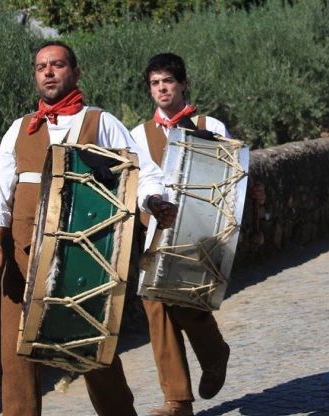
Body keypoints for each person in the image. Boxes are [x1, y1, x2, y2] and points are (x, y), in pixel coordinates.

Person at [0, 41, 176, 416]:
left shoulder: (101, 122)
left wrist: (153, 201)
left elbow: (143, 173)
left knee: (90, 349)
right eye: (41, 67)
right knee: (14, 355)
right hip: (21, 256)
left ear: (76, 72)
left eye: (57, 64)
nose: (48, 72)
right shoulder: (19, 129)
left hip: (83, 256)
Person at [129, 53, 232, 416]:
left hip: (200, 231)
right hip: (156, 228)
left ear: (183, 84)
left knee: (188, 302)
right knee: (155, 305)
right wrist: (152, 202)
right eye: (155, 83)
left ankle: (214, 352)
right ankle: (177, 399)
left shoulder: (211, 124)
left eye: (167, 81)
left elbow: (229, 176)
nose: (161, 88)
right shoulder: (138, 134)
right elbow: (140, 178)